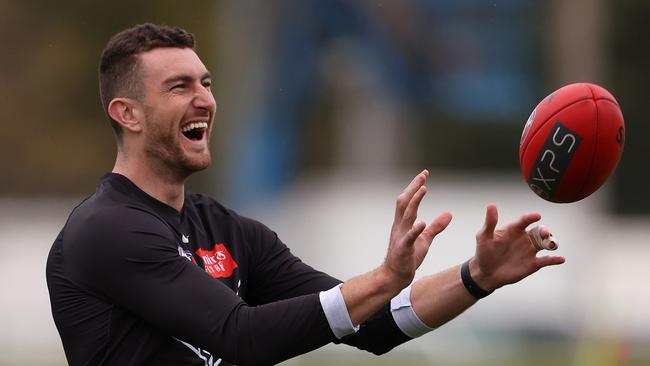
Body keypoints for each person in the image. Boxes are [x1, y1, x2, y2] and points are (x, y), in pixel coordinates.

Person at [46, 23, 565, 366]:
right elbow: (238, 337)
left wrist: (477, 276)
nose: (205, 99)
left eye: (206, 82)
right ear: (127, 113)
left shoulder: (229, 231)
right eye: (179, 87)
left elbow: (374, 325)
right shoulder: (106, 230)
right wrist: (384, 277)